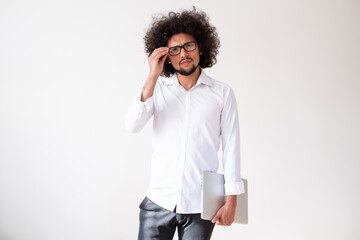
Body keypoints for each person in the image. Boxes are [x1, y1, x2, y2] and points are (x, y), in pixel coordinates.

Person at [125, 7, 245, 240]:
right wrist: (152, 76)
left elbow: (232, 148)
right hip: (158, 201)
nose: (183, 53)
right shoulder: (156, 89)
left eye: (189, 45)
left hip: (201, 206)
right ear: (166, 56)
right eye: (175, 50)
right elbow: (132, 125)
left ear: (201, 47)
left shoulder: (222, 94)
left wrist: (232, 202)